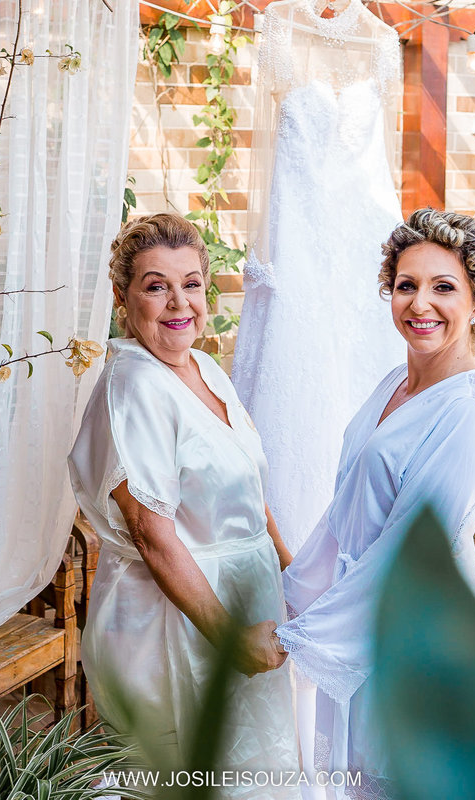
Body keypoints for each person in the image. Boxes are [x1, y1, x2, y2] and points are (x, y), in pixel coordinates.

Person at [276, 209, 475, 798]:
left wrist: (299, 640)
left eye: (444, 287)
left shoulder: (466, 412)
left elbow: (406, 552)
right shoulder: (396, 384)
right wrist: (291, 593)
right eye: (406, 285)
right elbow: (344, 513)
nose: (420, 304)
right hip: (364, 616)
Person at [68, 213, 299, 796]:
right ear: (124, 299)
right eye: (155, 285)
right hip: (176, 625)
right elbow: (152, 534)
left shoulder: (205, 368)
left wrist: (294, 573)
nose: (179, 303)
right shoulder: (135, 384)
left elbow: (248, 486)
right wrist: (229, 639)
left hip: (246, 607)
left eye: (191, 283)